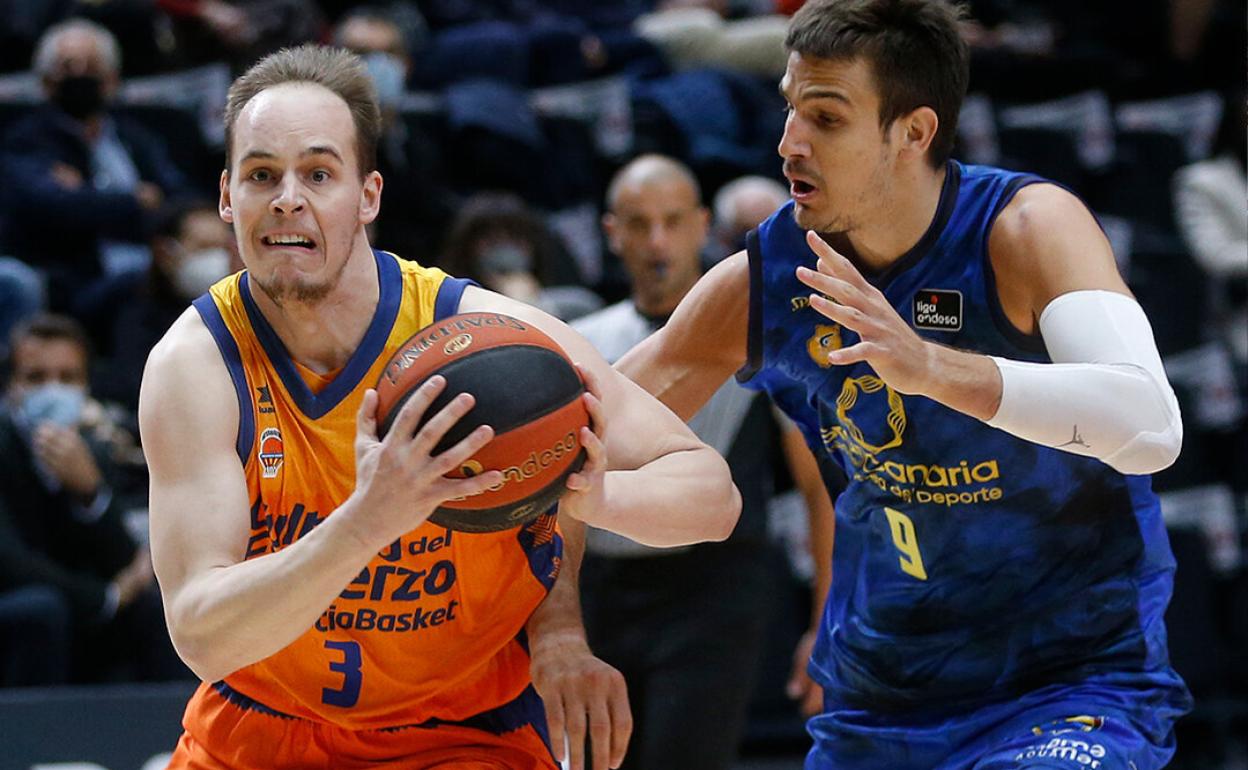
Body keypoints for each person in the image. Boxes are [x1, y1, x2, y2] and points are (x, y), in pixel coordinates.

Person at [617, 1, 1193, 768]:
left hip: (1069, 681)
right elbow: (582, 429)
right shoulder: (774, 277)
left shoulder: (1025, 230)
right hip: (886, 694)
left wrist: (931, 368)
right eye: (791, 109)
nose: (789, 143)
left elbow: (1153, 426)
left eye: (826, 118)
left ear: (913, 132)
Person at [138, 44, 739, 770]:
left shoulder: (483, 338)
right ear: (229, 196)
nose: (287, 197)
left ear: (368, 197)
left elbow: (712, 496)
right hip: (258, 731)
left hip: (462, 734)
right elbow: (202, 635)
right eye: (263, 174)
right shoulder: (195, 366)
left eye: (319, 173)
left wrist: (593, 492)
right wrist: (370, 521)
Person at [573, 154, 833, 770]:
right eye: (639, 224)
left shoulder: (750, 328)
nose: (656, 241)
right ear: (613, 233)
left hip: (712, 590)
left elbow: (820, 488)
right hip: (599, 590)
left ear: (700, 226)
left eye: (671, 221)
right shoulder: (580, 337)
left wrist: (826, 624)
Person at [0, 314, 183, 685]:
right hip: (25, 605)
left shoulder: (96, 448)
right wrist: (106, 596)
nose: (54, 389)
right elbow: (9, 562)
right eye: (36, 378)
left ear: (85, 387)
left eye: (68, 378)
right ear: (10, 387)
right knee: (42, 611)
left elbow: (125, 562)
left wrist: (90, 491)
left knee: (159, 608)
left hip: (75, 609)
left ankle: (165, 735)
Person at [0, 19, 190, 312]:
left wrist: (87, 195)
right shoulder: (27, 141)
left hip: (158, 264)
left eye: (91, 67)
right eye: (67, 67)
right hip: (78, 279)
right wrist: (136, 200)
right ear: (46, 81)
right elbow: (52, 208)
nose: (79, 75)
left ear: (112, 79)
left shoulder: (136, 137)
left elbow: (178, 199)